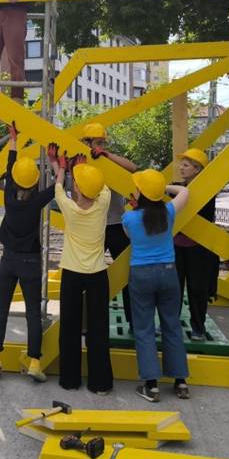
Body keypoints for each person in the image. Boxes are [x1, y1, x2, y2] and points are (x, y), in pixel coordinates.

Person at [0, 124, 56, 382]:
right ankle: (35, 362)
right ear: (36, 181)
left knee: (1, 310)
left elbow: (10, 169)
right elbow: (59, 183)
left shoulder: (8, 197)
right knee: (32, 314)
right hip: (30, 262)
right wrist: (56, 163)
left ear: (14, 180)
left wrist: (14, 142)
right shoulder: (37, 201)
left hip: (8, 260)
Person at [123, 169, 191, 402]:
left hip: (141, 274)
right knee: (172, 325)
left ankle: (151, 385)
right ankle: (180, 381)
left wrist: (135, 206)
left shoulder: (129, 218)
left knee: (144, 328)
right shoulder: (169, 211)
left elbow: (131, 235)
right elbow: (184, 191)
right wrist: (165, 189)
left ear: (140, 192)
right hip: (168, 272)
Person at [52, 152, 113, 394]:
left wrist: (62, 168)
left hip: (72, 273)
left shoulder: (68, 208)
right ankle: (100, 383)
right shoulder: (104, 203)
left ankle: (70, 380)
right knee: (98, 327)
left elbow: (58, 186)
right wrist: (86, 167)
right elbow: (101, 185)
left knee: (69, 325)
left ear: (76, 189)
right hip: (97, 274)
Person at [83, 122, 137, 330]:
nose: (100, 146)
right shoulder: (82, 164)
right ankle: (87, 320)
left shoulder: (110, 160)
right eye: (97, 142)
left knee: (126, 273)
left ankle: (133, 320)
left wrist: (106, 156)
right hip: (94, 226)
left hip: (116, 226)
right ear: (86, 143)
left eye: (102, 143)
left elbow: (133, 168)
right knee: (87, 273)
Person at [173, 148, 218, 341]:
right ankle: (170, 323)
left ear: (198, 169)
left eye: (185, 165)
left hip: (198, 247)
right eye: (181, 164)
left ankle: (198, 327)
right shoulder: (177, 188)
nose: (181, 168)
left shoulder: (207, 190)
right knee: (173, 288)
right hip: (177, 244)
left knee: (197, 289)